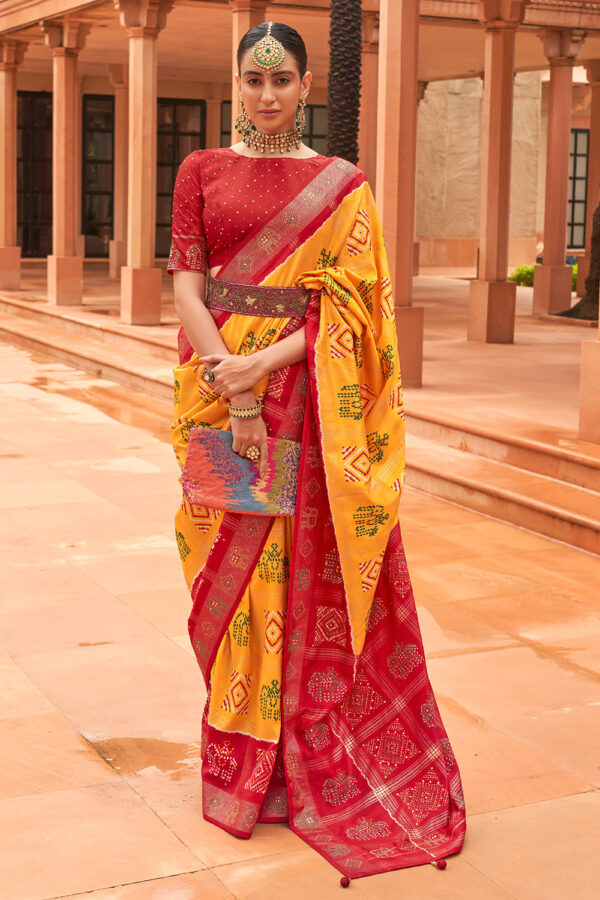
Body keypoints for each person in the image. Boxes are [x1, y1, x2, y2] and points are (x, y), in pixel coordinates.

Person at [168, 21, 466, 883]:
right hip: (216, 395)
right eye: (253, 80)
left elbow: (358, 311)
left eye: (284, 79)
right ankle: (243, 764)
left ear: (306, 86)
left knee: (301, 577)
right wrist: (233, 381)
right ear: (238, 83)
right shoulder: (201, 171)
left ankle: (295, 756)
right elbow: (187, 283)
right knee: (223, 570)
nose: (267, 95)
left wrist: (263, 365)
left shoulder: (342, 187)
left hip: (308, 398)